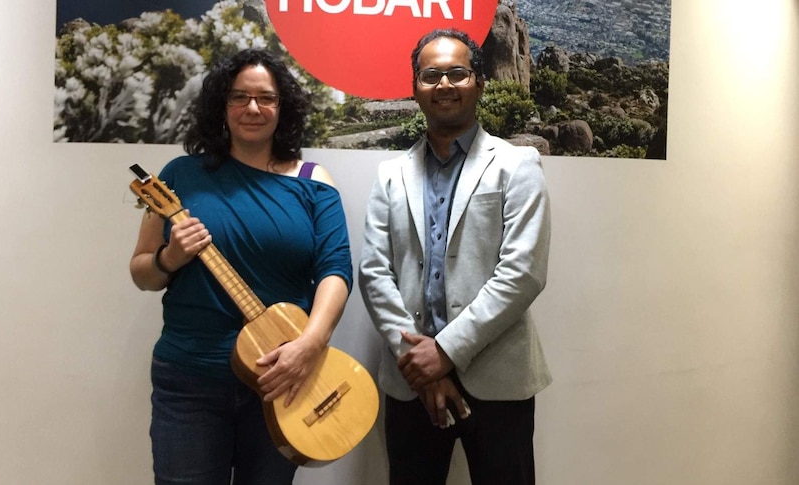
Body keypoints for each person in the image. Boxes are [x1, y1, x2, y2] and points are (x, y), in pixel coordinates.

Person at [129, 48, 352, 485]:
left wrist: (310, 345)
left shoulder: (313, 181)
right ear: (221, 106)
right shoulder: (179, 175)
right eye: (239, 97)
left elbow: (336, 271)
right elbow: (141, 271)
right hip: (190, 379)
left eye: (265, 98)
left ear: (282, 107)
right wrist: (170, 258)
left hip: (284, 380)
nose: (253, 108)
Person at [358, 29, 552, 485]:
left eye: (457, 73)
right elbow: (374, 272)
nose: (443, 84)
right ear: (415, 87)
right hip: (411, 383)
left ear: (479, 83)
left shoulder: (516, 165)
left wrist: (445, 351)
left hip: (498, 379)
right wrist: (421, 365)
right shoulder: (390, 175)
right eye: (431, 75)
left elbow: (522, 274)